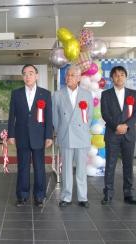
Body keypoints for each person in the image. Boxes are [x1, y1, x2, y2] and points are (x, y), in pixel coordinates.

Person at [8, 64, 53, 207]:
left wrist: (49, 136)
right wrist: (11, 134)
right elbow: (11, 117)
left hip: (39, 136)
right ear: (22, 77)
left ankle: (39, 196)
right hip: (21, 136)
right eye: (25, 74)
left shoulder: (45, 94)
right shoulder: (16, 93)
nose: (28, 76)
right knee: (23, 167)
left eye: (31, 73)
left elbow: (49, 116)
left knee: (40, 167)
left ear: (37, 76)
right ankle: (22, 196)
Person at [52, 65, 93, 208]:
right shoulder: (58, 94)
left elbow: (89, 116)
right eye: (67, 75)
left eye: (72, 75)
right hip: (66, 136)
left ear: (79, 78)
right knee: (67, 169)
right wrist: (61, 131)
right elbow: (55, 118)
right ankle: (66, 196)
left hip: (82, 136)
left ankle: (83, 197)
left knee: (81, 169)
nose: (68, 77)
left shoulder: (87, 95)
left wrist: (83, 130)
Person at [101, 66, 136, 205]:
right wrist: (117, 126)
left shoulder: (134, 94)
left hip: (129, 134)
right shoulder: (106, 94)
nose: (119, 77)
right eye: (116, 75)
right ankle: (108, 194)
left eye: (122, 75)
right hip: (112, 134)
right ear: (112, 78)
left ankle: (128, 193)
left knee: (128, 164)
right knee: (110, 165)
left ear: (126, 77)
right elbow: (105, 114)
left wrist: (126, 126)